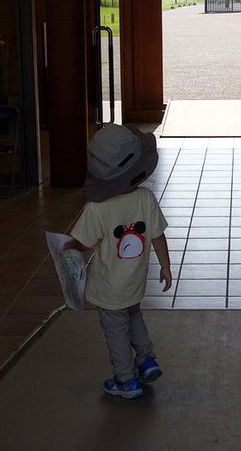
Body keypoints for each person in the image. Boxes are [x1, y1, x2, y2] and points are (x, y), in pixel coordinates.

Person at [65, 124, 173, 399]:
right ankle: (147, 360)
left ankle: (125, 379)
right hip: (135, 282)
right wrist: (165, 265)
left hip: (109, 288)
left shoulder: (97, 208)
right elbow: (158, 235)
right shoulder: (145, 198)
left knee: (116, 332)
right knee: (134, 317)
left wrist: (68, 246)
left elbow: (85, 242)